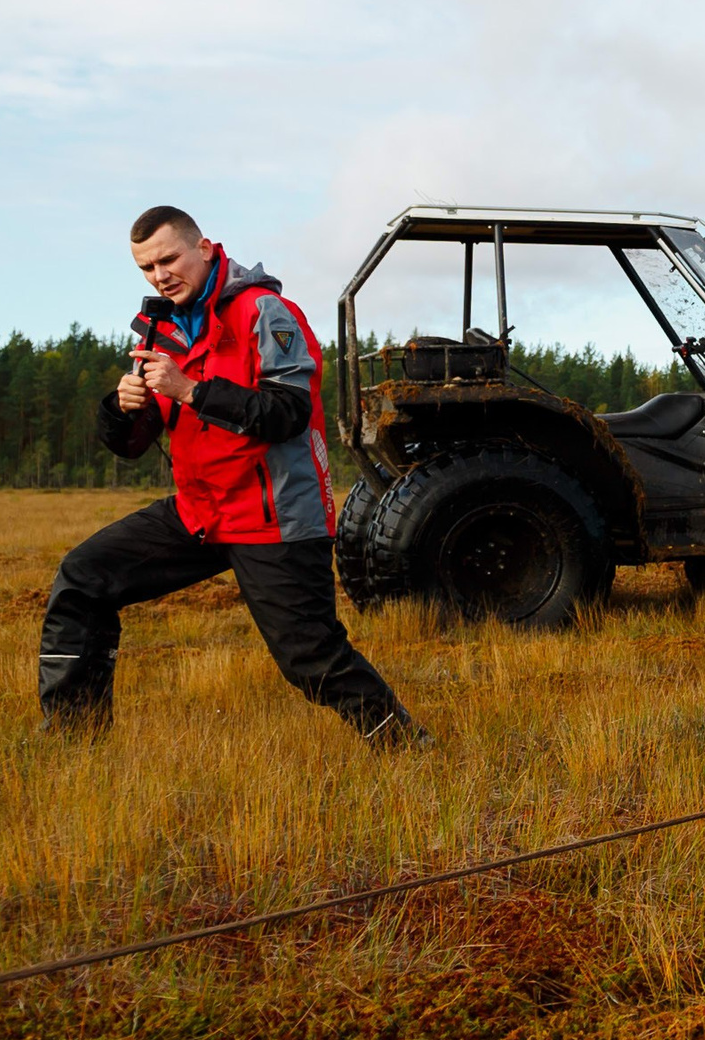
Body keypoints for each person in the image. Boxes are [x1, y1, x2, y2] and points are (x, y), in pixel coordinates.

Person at [39, 206, 421, 744]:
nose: (159, 275)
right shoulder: (161, 325)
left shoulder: (267, 313)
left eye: (168, 259)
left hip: (277, 516)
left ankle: (407, 746)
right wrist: (122, 409)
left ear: (205, 248)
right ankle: (71, 741)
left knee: (310, 660)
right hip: (201, 511)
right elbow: (133, 443)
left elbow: (287, 414)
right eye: (146, 268)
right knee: (84, 578)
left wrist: (190, 391)